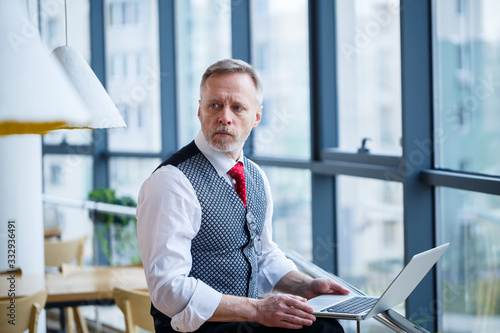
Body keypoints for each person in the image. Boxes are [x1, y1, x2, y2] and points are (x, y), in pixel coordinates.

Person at [136, 59, 350, 333]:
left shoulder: (255, 175)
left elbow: (262, 254)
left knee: (326, 324)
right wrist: (258, 309)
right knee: (321, 331)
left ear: (256, 117)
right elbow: (167, 289)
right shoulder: (170, 182)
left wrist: (303, 286)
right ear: (199, 110)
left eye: (237, 107)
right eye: (215, 105)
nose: (225, 116)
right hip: (196, 329)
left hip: (244, 322)